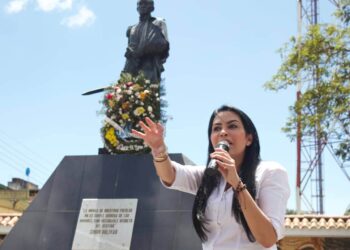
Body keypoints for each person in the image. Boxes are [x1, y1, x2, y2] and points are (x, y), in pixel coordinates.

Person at [132, 105, 290, 250]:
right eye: (216, 128)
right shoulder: (207, 176)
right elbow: (170, 175)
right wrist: (159, 150)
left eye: (232, 126)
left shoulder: (270, 172)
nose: (223, 132)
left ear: (249, 138)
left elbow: (268, 238)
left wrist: (237, 184)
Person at [122, 0, 169, 83]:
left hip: (149, 65)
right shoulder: (131, 28)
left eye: (146, 3)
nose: (142, 6)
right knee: (127, 88)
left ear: (152, 8)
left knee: (146, 92)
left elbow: (164, 44)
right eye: (140, 4)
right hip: (132, 67)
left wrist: (142, 49)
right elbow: (130, 48)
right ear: (137, 8)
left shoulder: (158, 23)